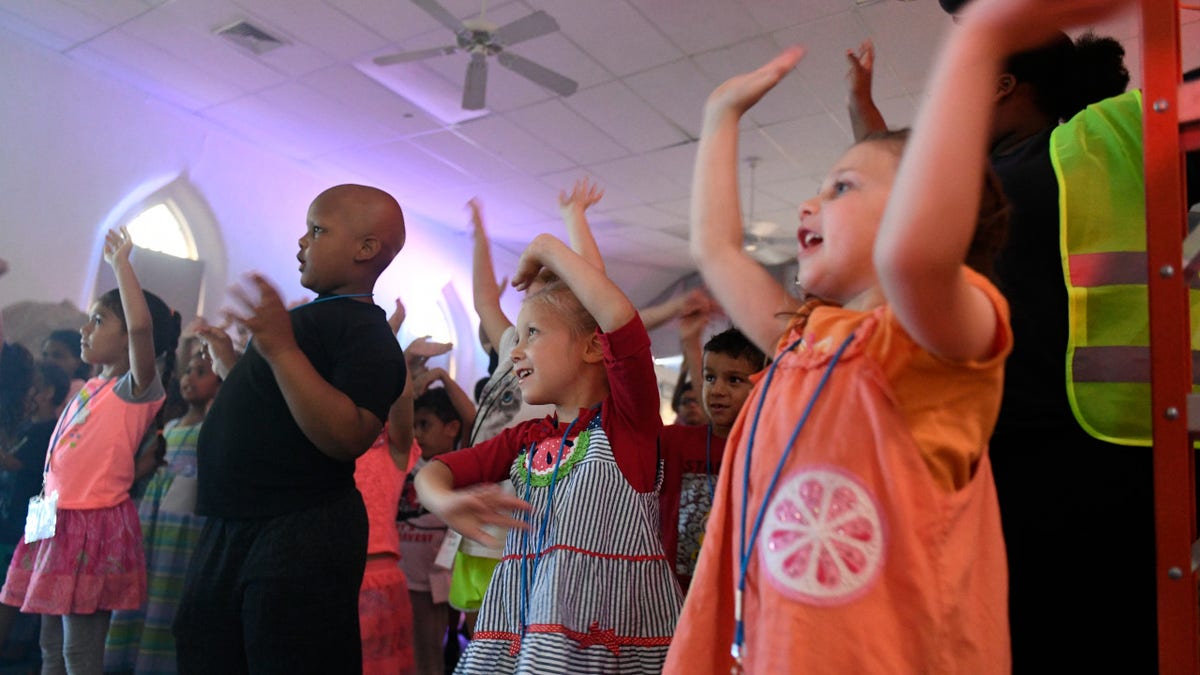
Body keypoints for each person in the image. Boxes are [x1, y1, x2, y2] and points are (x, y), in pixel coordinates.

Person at [661, 0, 1106, 665]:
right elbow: (719, 250)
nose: (811, 202)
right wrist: (719, 116)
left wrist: (980, 43)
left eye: (842, 187)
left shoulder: (932, 345)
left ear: (919, 212)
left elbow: (914, 257)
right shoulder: (801, 342)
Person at [847, 10, 1175, 671]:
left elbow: (899, 204)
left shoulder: (1026, 173)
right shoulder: (1077, 153)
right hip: (1128, 450)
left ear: (998, 85)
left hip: (1048, 467)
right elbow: (897, 184)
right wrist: (863, 108)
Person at [416, 231, 681, 673]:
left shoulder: (628, 424)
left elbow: (619, 318)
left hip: (606, 640)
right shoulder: (527, 438)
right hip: (525, 633)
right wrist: (446, 501)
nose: (515, 351)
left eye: (532, 333)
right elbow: (436, 471)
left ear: (595, 347)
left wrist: (543, 247)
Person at [173, 184, 408, 674]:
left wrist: (280, 348)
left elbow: (347, 435)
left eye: (317, 230)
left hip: (299, 526)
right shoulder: (306, 321)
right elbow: (288, 401)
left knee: (286, 655)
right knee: (208, 650)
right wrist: (234, 361)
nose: (301, 243)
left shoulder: (367, 333)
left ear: (365, 249)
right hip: (234, 522)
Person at [1, 226, 181, 674]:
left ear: (130, 340)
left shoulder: (136, 390)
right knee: (47, 641)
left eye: (99, 321)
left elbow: (141, 327)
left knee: (78, 651)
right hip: (52, 515)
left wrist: (121, 266)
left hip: (92, 524)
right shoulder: (92, 386)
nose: (85, 328)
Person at [104, 348, 221, 674]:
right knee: (146, 583)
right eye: (188, 371)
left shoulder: (213, 429)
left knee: (170, 590)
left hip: (184, 527)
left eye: (201, 372)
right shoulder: (169, 426)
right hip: (154, 521)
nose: (190, 378)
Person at [659, 324, 765, 593]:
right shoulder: (676, 442)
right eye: (709, 378)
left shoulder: (769, 450)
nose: (717, 390)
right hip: (676, 595)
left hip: (740, 593)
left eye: (734, 380)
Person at [400, 386, 469, 675]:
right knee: (410, 653)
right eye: (414, 425)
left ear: (452, 428)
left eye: (425, 425)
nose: (417, 433)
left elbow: (471, 417)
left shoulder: (457, 465)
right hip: (404, 574)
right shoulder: (407, 459)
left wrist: (442, 376)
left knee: (430, 655)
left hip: (435, 579)